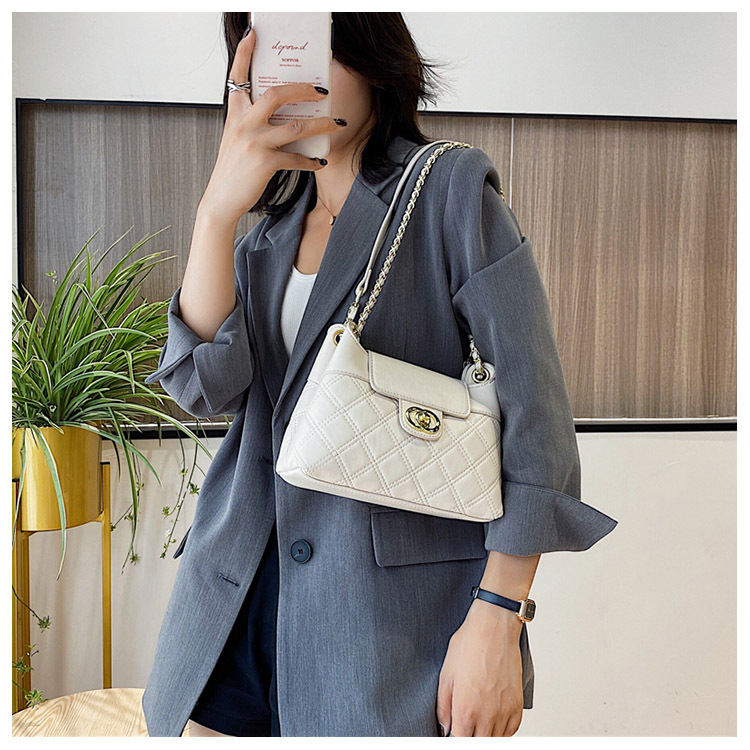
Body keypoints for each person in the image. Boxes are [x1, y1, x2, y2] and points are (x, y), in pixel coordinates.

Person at [141, 12, 618, 738]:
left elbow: (537, 421)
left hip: (384, 633)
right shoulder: (266, 237)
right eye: (271, 53)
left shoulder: (449, 192)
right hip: (233, 609)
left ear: (371, 57)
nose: (293, 75)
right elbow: (203, 388)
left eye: (313, 47)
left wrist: (499, 616)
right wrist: (215, 214)